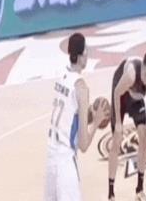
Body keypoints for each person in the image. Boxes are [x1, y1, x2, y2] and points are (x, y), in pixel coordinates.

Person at [44, 33, 111, 201]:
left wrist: (90, 114)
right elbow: (83, 144)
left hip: (51, 155)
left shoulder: (61, 77)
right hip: (65, 160)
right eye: (86, 50)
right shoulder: (81, 88)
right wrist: (96, 121)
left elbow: (69, 115)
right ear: (82, 56)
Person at [108, 52, 146, 201]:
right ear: (141, 68)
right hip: (121, 94)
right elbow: (117, 93)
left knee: (144, 139)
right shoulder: (131, 75)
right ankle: (111, 193)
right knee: (117, 140)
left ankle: (139, 189)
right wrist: (118, 123)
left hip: (136, 98)